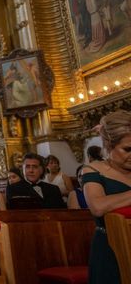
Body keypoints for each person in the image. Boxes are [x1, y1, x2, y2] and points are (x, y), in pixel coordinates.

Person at [82, 110, 131, 284]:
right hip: (111, 247)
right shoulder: (93, 170)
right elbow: (97, 207)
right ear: (109, 145)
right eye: (127, 149)